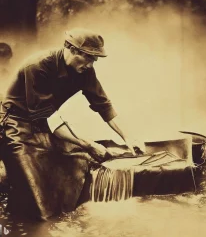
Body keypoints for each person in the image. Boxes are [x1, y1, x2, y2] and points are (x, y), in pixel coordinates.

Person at [0, 28, 144, 220]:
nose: (91, 64)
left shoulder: (85, 71)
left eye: (95, 59)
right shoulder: (38, 66)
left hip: (44, 124)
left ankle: (68, 214)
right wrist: (87, 143)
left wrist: (128, 137)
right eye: (88, 57)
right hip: (15, 125)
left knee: (77, 161)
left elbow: (104, 106)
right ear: (70, 49)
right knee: (34, 196)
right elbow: (49, 117)